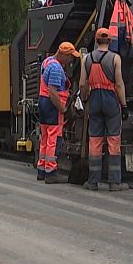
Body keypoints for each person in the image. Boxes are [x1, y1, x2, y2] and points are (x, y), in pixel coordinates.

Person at [79, 28, 129, 191]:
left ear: (96, 40)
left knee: (95, 140)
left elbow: (82, 84)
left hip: (94, 100)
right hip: (110, 100)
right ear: (109, 41)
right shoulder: (115, 58)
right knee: (113, 140)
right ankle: (114, 182)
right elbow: (119, 84)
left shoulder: (86, 58)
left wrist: (85, 98)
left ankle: (93, 181)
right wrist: (124, 105)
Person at [37, 42, 80, 184]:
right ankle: (51, 172)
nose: (71, 61)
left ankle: (42, 170)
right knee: (53, 139)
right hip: (52, 106)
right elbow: (53, 93)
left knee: (45, 138)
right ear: (63, 54)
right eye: (70, 57)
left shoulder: (47, 61)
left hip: (43, 104)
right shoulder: (56, 68)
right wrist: (63, 108)